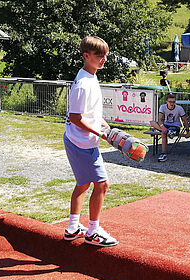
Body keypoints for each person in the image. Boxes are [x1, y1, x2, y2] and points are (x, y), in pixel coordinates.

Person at [63, 36, 118, 247]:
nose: (103, 59)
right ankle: (93, 231)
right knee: (102, 185)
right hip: (82, 143)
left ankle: (73, 227)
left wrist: (103, 125)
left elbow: (88, 113)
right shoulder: (84, 84)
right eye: (98, 55)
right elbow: (75, 117)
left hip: (78, 141)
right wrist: (100, 133)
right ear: (86, 56)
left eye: (105, 55)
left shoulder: (89, 76)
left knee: (83, 184)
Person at [150, 93, 190, 162]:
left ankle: (163, 153)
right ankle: (167, 132)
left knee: (163, 133)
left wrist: (188, 131)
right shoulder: (163, 107)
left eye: (173, 102)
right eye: (170, 102)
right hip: (165, 125)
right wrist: (162, 127)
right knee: (152, 122)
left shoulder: (179, 108)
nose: (172, 104)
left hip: (175, 126)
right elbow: (159, 119)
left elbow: (185, 120)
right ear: (166, 102)